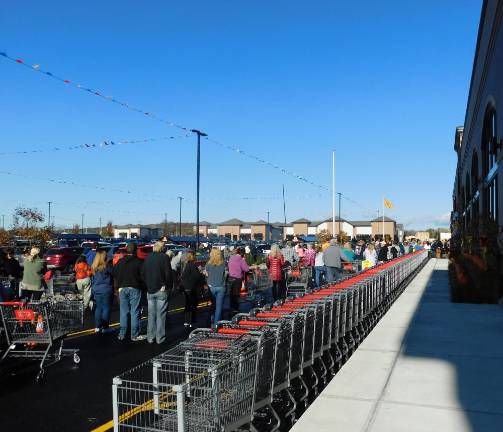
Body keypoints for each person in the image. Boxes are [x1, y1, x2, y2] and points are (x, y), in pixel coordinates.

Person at [112, 243, 146, 341]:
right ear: (135, 250)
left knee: (123, 312)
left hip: (122, 288)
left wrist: (117, 286)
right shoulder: (139, 262)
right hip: (135, 288)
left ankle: (122, 334)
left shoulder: (120, 262)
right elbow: (143, 276)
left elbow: (114, 274)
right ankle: (134, 335)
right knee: (135, 312)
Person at [144, 241, 172, 344]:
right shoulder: (164, 258)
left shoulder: (147, 257)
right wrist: (168, 286)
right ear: (162, 248)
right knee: (161, 315)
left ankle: (150, 337)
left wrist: (147, 285)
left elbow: (143, 273)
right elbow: (168, 274)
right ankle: (160, 338)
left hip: (150, 289)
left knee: (151, 315)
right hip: (161, 289)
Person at [90, 250, 114, 333]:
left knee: (98, 308)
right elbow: (114, 273)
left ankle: (97, 327)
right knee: (106, 308)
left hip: (96, 288)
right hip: (106, 289)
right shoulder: (106, 266)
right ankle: (105, 327)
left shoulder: (94, 266)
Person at [180, 250, 205, 327]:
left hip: (185, 286)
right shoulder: (192, 265)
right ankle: (192, 321)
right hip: (191, 287)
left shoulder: (186, 264)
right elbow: (197, 277)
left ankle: (186, 321)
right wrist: (201, 273)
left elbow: (183, 276)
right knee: (193, 304)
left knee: (187, 304)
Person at [204, 248, 227, 327]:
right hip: (221, 286)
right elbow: (226, 273)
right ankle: (216, 324)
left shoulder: (208, 264)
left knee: (212, 305)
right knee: (219, 307)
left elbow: (206, 274)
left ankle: (209, 321)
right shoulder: (223, 263)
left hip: (211, 287)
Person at [227, 248, 250, 314]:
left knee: (231, 295)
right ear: (242, 253)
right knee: (236, 295)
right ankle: (235, 310)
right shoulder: (241, 259)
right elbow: (246, 269)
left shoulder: (231, 258)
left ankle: (231, 309)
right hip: (237, 279)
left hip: (230, 278)